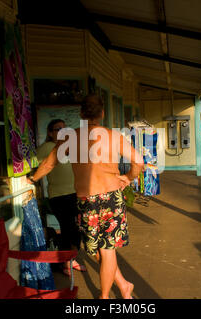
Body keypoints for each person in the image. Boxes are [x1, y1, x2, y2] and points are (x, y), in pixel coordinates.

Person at [28, 94, 144, 299]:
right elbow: (139, 162)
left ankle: (105, 297)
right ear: (102, 113)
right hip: (110, 198)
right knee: (99, 251)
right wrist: (128, 178)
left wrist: (32, 179)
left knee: (103, 251)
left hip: (87, 200)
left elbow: (48, 164)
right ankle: (125, 285)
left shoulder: (70, 137)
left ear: (81, 113)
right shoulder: (114, 136)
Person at [31, 119, 86, 276]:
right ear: (50, 132)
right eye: (58, 129)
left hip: (74, 194)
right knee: (68, 229)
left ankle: (69, 260)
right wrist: (31, 178)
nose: (62, 131)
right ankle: (66, 263)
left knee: (74, 230)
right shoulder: (48, 147)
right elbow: (34, 162)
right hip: (59, 196)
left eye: (64, 128)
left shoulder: (68, 147)